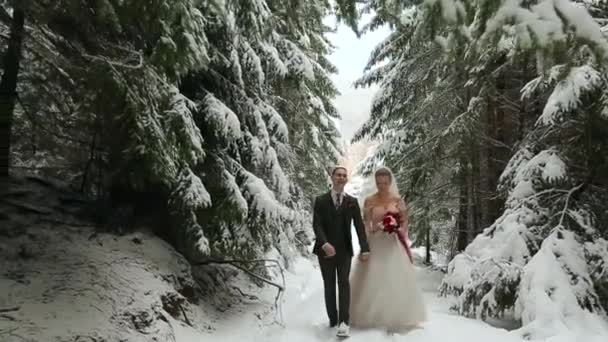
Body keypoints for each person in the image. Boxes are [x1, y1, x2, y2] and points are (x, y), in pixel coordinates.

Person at [348, 167, 427, 333]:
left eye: (385, 183)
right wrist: (375, 229)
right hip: (375, 243)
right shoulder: (369, 200)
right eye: (379, 183)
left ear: (390, 182)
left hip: (392, 243)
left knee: (394, 278)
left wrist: (397, 229)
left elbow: (405, 221)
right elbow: (365, 224)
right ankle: (370, 316)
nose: (382, 186)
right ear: (375, 182)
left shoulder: (397, 200)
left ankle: (395, 316)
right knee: (373, 277)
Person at [312, 166, 370, 338]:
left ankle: (343, 322)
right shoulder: (321, 200)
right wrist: (324, 243)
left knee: (343, 283)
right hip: (325, 251)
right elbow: (317, 224)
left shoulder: (352, 202)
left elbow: (359, 227)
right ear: (332, 177)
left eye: (344, 175)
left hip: (345, 251)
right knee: (329, 285)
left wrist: (365, 248)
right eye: (338, 175)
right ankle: (332, 319)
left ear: (346, 179)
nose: (341, 177)